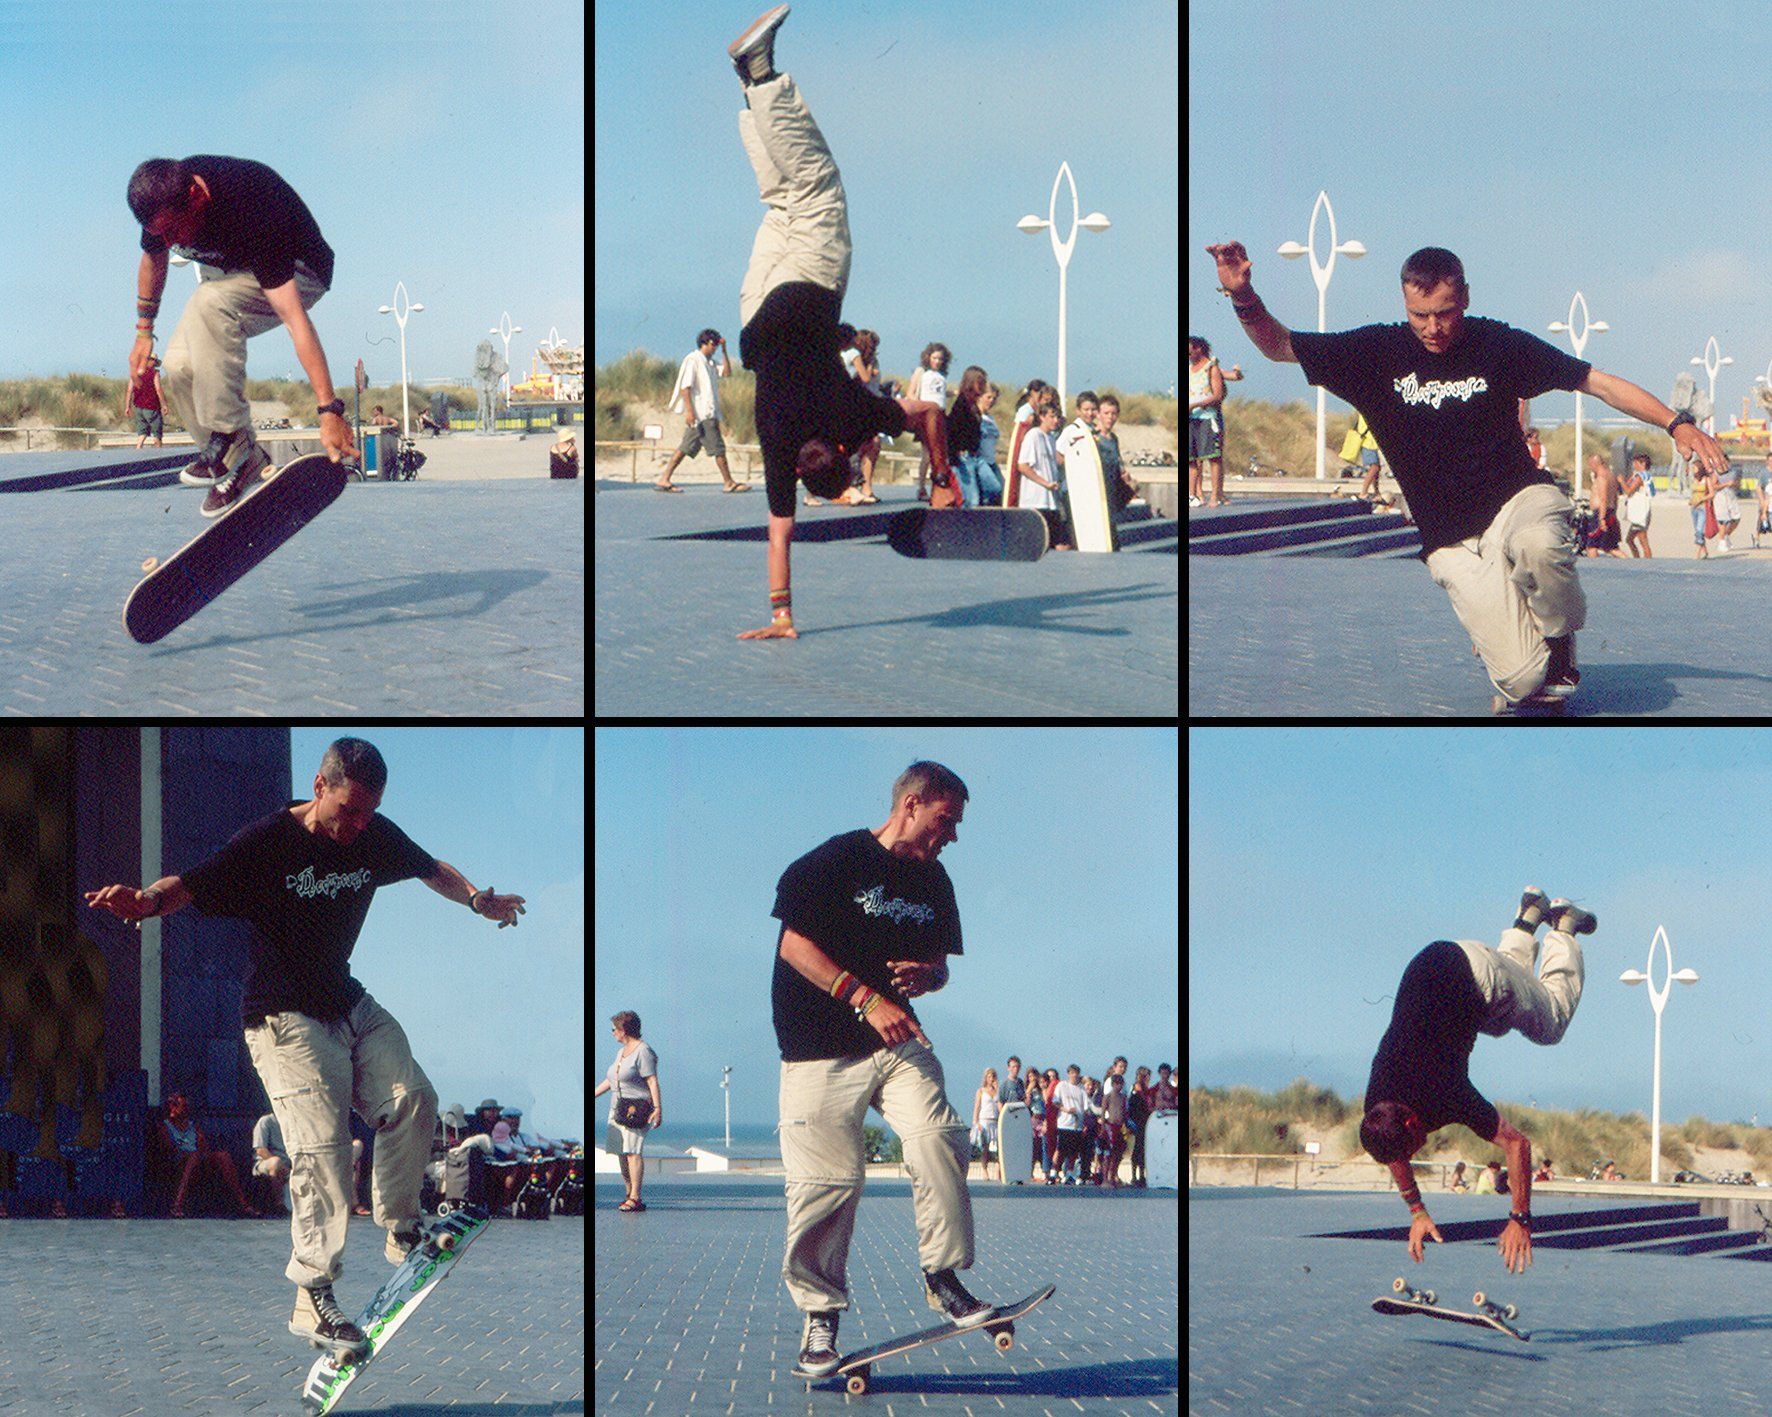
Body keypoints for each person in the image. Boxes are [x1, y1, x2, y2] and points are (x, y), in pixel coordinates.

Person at [83, 737, 526, 1357]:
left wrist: (478, 898)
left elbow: (433, 869)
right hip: (282, 1018)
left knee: (414, 1097)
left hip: (347, 1001)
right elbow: (189, 883)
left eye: (368, 814)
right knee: (321, 1148)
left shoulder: (373, 832)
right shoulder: (268, 842)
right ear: (320, 787)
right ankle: (313, 1297)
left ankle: (401, 1229)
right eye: (348, 811)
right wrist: (146, 902)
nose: (356, 827)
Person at [1206, 240, 1732, 708]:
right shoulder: (1373, 353)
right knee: (1524, 682)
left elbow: (1596, 382)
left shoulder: (1498, 344)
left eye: (1446, 312)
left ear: (1466, 298)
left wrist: (1675, 422)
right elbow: (1280, 346)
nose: (1434, 329)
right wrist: (1243, 296)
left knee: (1541, 547)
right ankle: (1519, 649)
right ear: (1404, 304)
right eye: (1420, 316)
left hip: (1516, 498)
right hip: (1449, 536)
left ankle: (1558, 635)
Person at [726, 6, 956, 641]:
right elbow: (780, 534)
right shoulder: (808, 443)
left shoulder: (840, 427)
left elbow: (925, 416)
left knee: (816, 188)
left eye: (812, 459)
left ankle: (761, 74)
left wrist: (940, 477)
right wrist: (781, 616)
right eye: (818, 457)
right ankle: (751, 88)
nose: (809, 453)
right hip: (757, 310)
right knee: (783, 196)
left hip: (798, 293)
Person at [771, 761, 1005, 1380]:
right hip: (818, 1045)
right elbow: (794, 947)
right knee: (828, 1184)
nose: (952, 835)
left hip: (896, 1042)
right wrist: (865, 997)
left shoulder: (936, 882)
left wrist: (932, 976)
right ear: (912, 803)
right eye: (946, 820)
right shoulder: (832, 862)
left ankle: (943, 1276)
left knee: (940, 1136)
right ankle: (820, 1318)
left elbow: (938, 960)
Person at [1359, 887, 1596, 1275]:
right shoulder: (1378, 1105)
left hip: (1479, 979)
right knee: (1501, 1016)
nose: (1417, 1152)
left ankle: (1563, 926)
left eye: (1415, 1146)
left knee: (1549, 1022)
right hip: (1440, 958)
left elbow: (1516, 1144)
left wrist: (1520, 1219)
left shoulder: (1445, 1091)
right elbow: (1393, 1153)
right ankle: (1527, 917)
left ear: (1411, 1122)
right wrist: (1417, 1211)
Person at [126, 156, 357, 518]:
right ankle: (238, 462)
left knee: (211, 301)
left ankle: (232, 442)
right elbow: (152, 260)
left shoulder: (252, 208)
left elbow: (295, 319)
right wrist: (143, 332)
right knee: (179, 364)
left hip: (301, 270)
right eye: (161, 235)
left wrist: (329, 409)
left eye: (173, 230)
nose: (169, 242)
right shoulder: (163, 199)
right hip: (238, 271)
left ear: (195, 197)